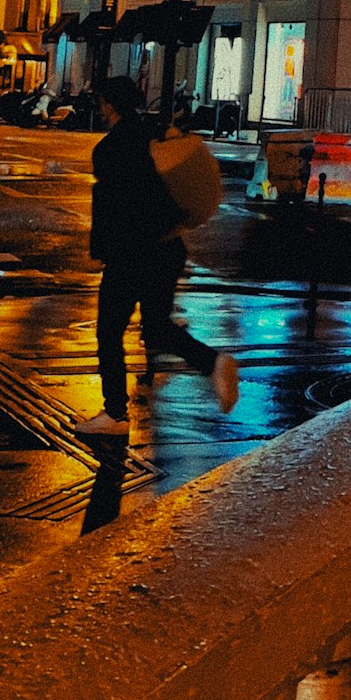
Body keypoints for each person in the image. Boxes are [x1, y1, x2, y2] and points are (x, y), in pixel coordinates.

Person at [77, 75, 239, 435]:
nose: (99, 109)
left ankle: (115, 414)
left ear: (109, 104)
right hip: (168, 247)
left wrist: (100, 250)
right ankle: (212, 362)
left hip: (130, 254)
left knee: (109, 332)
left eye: (101, 102)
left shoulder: (109, 149)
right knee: (157, 327)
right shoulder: (157, 133)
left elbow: (110, 207)